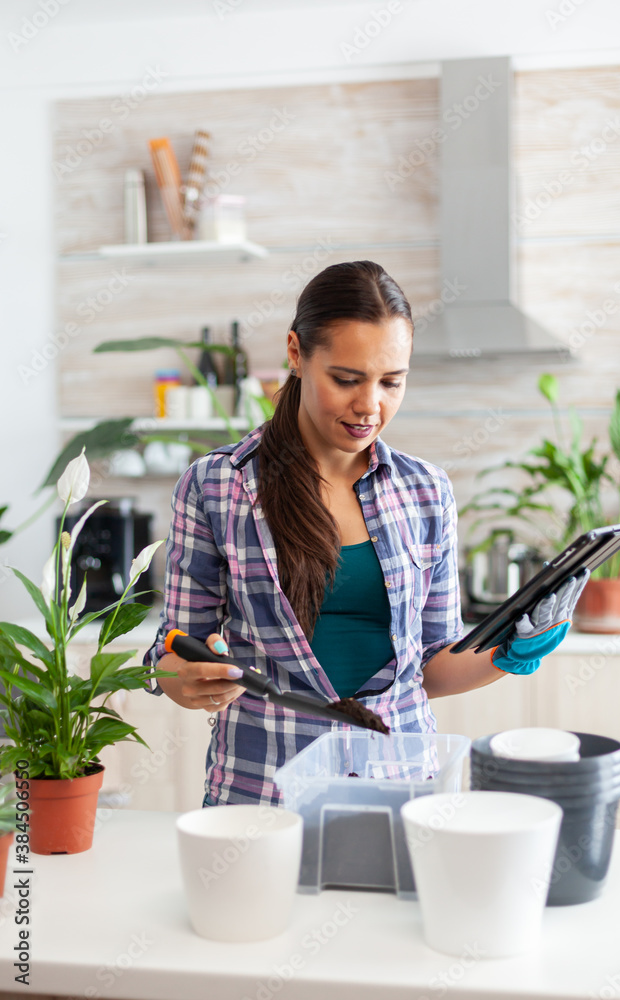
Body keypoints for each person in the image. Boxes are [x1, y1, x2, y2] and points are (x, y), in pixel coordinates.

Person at [144, 260, 586, 806]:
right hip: (261, 784)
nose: (370, 406)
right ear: (296, 353)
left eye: (391, 381)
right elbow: (171, 649)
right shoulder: (218, 485)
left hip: (400, 781)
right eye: (347, 379)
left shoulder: (425, 490)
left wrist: (513, 651)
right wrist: (182, 680)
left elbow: (430, 665)